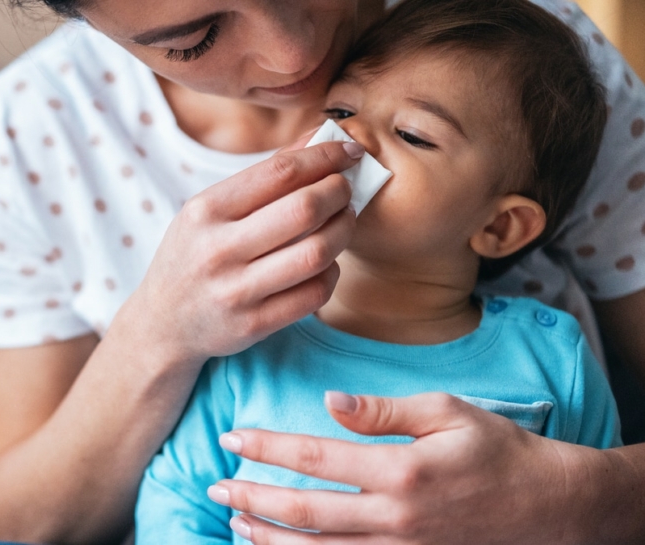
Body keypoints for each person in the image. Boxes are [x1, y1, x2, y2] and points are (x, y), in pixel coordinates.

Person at [0, 0, 645, 543]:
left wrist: (582, 498)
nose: (293, 60)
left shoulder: (528, 69)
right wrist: (159, 330)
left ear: (505, 223)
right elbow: (40, 519)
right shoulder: (36, 129)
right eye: (197, 36)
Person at [133, 0, 619, 541]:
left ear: (501, 228)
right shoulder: (251, 344)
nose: (351, 140)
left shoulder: (553, 359)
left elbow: (596, 522)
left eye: (412, 135)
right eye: (340, 112)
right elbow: (178, 499)